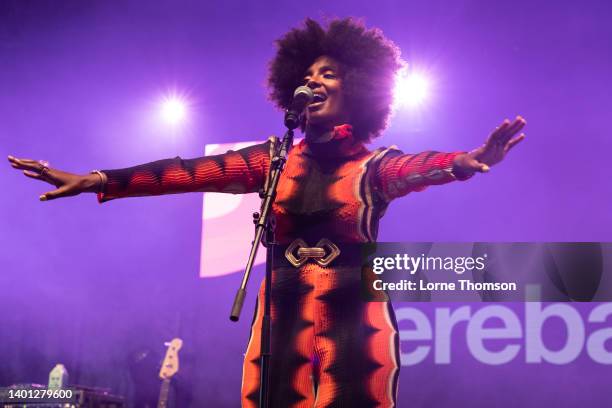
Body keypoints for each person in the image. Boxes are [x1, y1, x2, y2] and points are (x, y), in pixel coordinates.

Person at [8, 17, 526, 408]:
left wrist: (465, 161)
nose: (315, 80)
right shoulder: (273, 158)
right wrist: (97, 180)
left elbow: (419, 166)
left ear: (360, 89)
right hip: (280, 313)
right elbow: (186, 172)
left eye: (330, 73)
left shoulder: (374, 166)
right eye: (308, 74)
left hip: (354, 317)